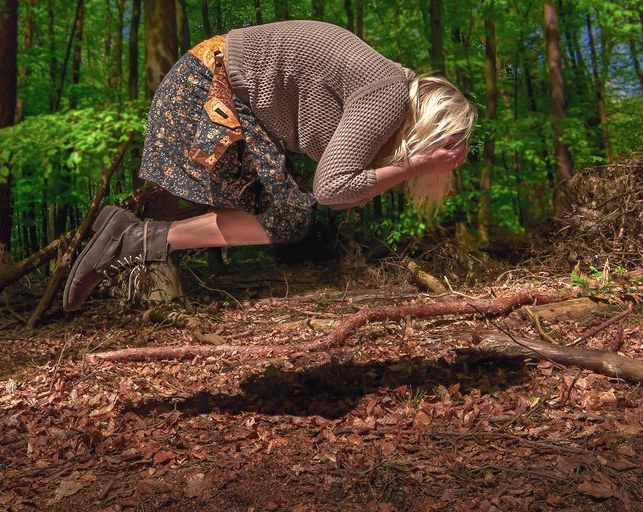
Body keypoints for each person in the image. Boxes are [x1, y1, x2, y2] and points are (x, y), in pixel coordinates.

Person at [62, 19, 474, 311]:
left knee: (283, 215)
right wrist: (416, 165)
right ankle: (135, 239)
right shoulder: (388, 94)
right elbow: (332, 189)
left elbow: (344, 186)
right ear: (429, 129)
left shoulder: (383, 90)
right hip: (207, 87)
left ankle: (132, 236)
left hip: (206, 83)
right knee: (289, 218)